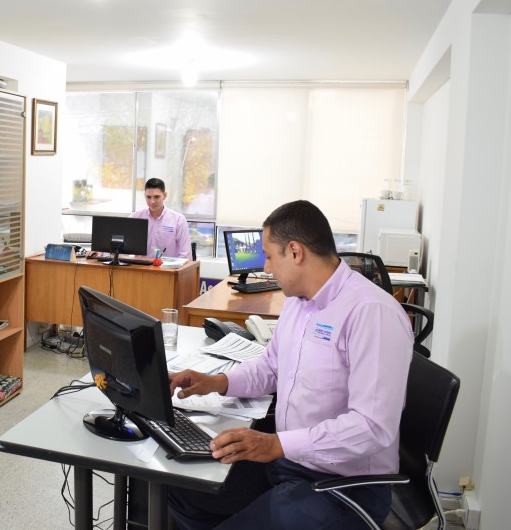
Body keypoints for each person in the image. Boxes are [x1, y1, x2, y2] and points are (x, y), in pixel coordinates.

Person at [168, 200, 413, 529]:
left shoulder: (371, 312)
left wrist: (277, 444)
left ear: (295, 252)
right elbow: (271, 367)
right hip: (290, 461)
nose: (266, 268)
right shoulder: (299, 302)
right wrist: (217, 382)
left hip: (346, 487)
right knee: (181, 487)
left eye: (270, 256)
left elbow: (372, 427)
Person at [129, 177, 192, 258]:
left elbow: (185, 255)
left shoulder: (178, 220)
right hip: (139, 265)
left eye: (156, 197)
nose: (152, 201)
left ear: (165, 196)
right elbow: (124, 247)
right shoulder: (135, 218)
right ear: (145, 196)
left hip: (167, 266)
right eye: (148, 197)